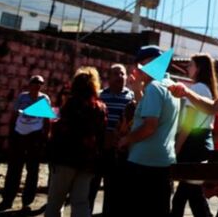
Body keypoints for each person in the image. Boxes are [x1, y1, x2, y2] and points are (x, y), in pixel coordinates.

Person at [118, 45, 180, 213]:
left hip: (144, 162)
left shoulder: (154, 88)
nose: (138, 70)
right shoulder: (169, 86)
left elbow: (149, 127)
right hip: (162, 162)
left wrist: (126, 140)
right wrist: (138, 88)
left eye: (141, 65)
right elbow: (148, 112)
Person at [44, 67, 106, 217]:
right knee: (80, 203)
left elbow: (59, 130)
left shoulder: (70, 105)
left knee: (55, 202)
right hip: (87, 162)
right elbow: (101, 135)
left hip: (65, 159)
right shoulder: (100, 108)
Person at [170, 53, 218, 217]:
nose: (188, 68)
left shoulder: (197, 89)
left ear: (198, 68)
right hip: (202, 143)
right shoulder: (207, 89)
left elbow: (189, 124)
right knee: (190, 195)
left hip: (193, 146)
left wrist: (176, 149)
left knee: (187, 196)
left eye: (190, 65)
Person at [0, 74, 50, 213]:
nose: (37, 85)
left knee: (32, 170)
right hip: (19, 136)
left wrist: (45, 138)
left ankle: (27, 201)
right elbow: (14, 116)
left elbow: (47, 121)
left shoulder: (44, 99)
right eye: (35, 82)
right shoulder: (22, 98)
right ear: (30, 84)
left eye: (40, 83)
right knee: (14, 168)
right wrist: (12, 134)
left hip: (35, 137)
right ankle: (7, 199)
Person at [90, 63, 135, 216]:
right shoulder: (100, 95)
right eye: (115, 74)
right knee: (91, 186)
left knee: (113, 189)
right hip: (100, 148)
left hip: (119, 151)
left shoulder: (132, 97)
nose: (119, 76)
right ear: (109, 78)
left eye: (122, 73)